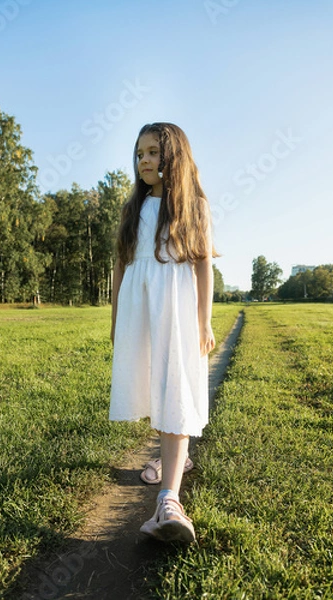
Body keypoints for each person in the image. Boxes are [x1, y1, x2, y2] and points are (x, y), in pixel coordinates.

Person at [109, 122, 218, 543]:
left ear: (174, 156)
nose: (144, 161)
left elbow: (203, 264)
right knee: (156, 386)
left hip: (177, 308)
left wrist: (203, 321)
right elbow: (120, 267)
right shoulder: (132, 209)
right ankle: (173, 454)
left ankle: (169, 501)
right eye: (139, 154)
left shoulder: (195, 208)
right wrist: (117, 320)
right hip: (140, 309)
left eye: (153, 152)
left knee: (176, 388)